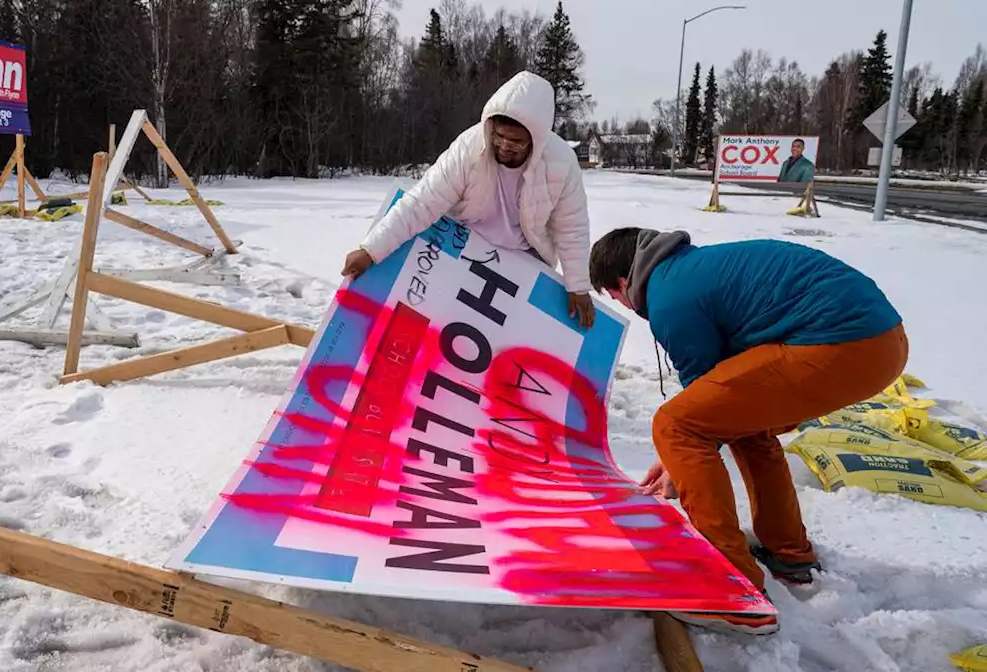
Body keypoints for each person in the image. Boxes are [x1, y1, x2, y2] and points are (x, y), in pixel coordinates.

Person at [588, 227, 908, 636]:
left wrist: (678, 458)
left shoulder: (669, 297)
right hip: (881, 340)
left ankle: (731, 593)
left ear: (621, 281)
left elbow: (698, 404)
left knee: (674, 423)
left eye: (613, 296)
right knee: (746, 429)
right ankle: (788, 551)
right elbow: (721, 402)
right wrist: (678, 459)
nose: (622, 305)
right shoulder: (686, 269)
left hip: (843, 342)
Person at [341, 70, 596, 328]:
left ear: (536, 140)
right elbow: (423, 201)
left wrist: (578, 285)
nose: (505, 145)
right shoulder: (469, 148)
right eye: (499, 136)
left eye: (516, 142)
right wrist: (370, 250)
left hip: (523, 263)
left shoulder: (561, 162)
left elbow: (571, 227)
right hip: (465, 249)